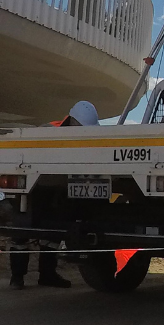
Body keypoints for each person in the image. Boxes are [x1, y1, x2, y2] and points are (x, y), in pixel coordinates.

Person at [8, 101, 97, 289]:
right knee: (22, 232)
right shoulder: (48, 130)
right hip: (34, 187)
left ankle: (47, 275)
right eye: (81, 127)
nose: (82, 131)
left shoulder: (79, 135)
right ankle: (17, 277)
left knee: (52, 234)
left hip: (56, 188)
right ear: (72, 120)